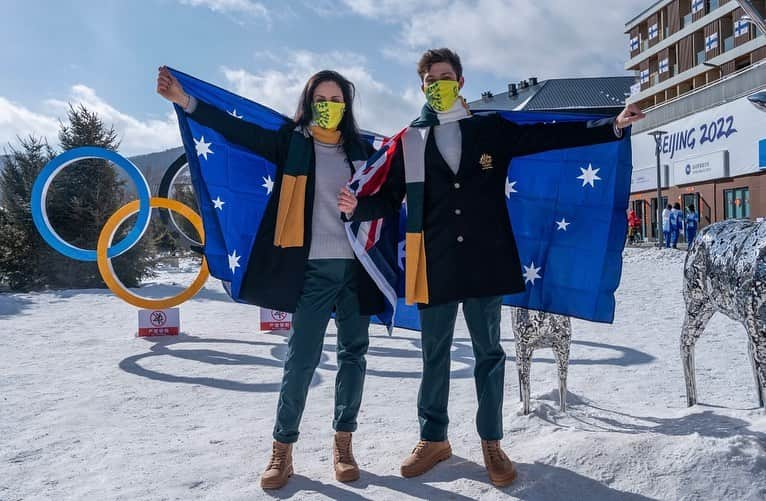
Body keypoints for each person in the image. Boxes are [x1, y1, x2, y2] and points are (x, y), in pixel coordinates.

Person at [337, 48, 644, 487]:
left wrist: (610, 126)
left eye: (444, 77)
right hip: (434, 261)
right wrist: (358, 206)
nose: (436, 85)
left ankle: (491, 443)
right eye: (429, 81)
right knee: (434, 354)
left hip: (485, 257)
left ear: (459, 82)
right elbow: (390, 199)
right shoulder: (410, 141)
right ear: (421, 87)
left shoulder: (490, 128)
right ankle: (433, 437)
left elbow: (547, 137)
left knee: (489, 354)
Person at [157, 66, 383, 489]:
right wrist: (187, 101)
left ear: (346, 106)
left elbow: (383, 201)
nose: (329, 107)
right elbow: (235, 131)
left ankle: (343, 443)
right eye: (322, 100)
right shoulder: (291, 142)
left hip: (358, 269)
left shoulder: (364, 152)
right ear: (309, 102)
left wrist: (362, 207)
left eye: (337, 101)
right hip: (313, 269)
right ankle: (282, 450)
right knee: (300, 358)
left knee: (354, 355)